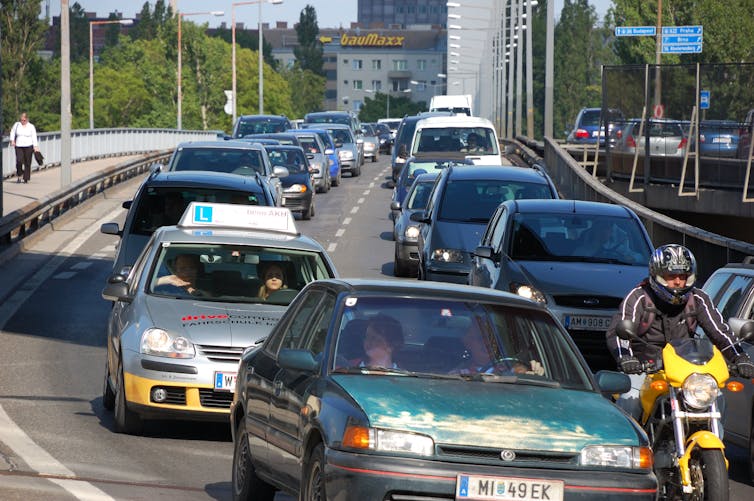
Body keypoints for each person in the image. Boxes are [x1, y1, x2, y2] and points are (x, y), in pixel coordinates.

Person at [606, 244, 754, 420]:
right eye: (671, 276)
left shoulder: (698, 299)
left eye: (683, 276)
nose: (677, 282)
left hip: (686, 372)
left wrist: (741, 358)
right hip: (645, 370)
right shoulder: (638, 297)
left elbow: (720, 331)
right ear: (657, 275)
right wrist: (626, 358)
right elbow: (619, 331)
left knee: (717, 398)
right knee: (629, 399)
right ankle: (630, 445)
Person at [452, 323, 544, 375]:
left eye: (492, 340)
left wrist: (535, 373)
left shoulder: (512, 369)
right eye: (481, 339)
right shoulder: (457, 375)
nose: (487, 343)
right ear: (469, 343)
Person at [9, 112, 39, 183]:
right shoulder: (17, 125)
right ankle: (19, 175)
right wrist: (12, 140)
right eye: (21, 120)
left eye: (24, 120)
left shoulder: (31, 126)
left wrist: (35, 146)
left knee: (27, 162)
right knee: (19, 161)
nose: (22, 121)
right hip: (19, 145)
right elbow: (12, 132)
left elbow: (34, 136)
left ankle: (26, 178)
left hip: (29, 145)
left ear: (27, 119)